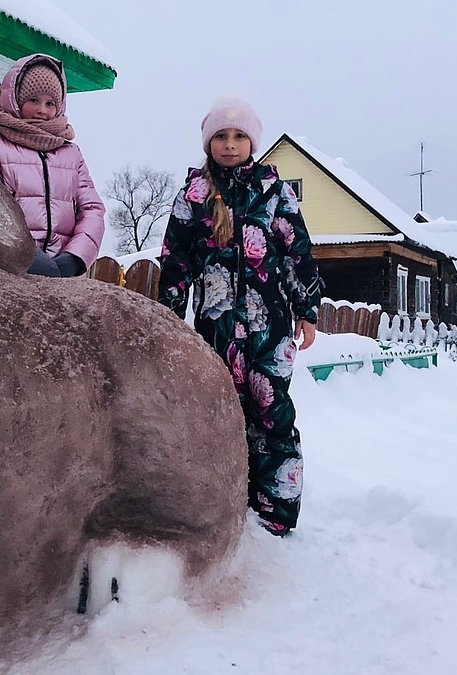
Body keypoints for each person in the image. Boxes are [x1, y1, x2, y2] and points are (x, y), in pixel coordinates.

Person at [157, 97, 322, 537]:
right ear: (208, 142)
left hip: (270, 328)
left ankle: (275, 512)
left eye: (239, 136)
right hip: (217, 328)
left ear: (253, 141)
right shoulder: (193, 194)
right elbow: (176, 259)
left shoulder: (274, 192)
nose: (230, 145)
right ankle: (222, 505)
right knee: (222, 412)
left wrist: (306, 309)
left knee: (271, 411)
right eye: (221, 137)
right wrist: (170, 316)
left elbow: (296, 252)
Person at [0, 54, 105, 277]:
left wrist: (74, 257)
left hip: (62, 275)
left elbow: (92, 209)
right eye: (34, 100)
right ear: (16, 100)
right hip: (10, 271)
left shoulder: (70, 153)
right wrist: (27, 254)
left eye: (50, 103)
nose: (42, 110)